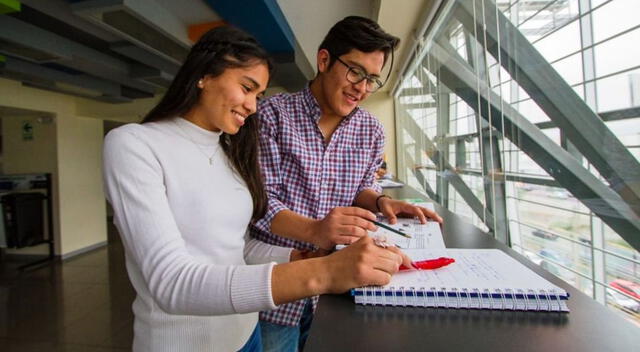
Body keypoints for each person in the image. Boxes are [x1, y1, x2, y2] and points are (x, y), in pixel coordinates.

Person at [103, 26, 411, 352]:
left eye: (258, 95)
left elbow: (240, 248)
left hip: (246, 333)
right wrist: (323, 270)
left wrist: (299, 255)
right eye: (247, 88)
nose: (252, 107)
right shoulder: (133, 144)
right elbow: (170, 283)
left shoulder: (231, 150)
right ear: (204, 74)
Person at [250, 16, 444, 352]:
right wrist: (316, 230)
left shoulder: (371, 130)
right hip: (279, 284)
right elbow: (261, 204)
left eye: (371, 79)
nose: (362, 87)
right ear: (324, 60)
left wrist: (381, 201)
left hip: (337, 289)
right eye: (355, 72)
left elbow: (360, 187)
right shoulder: (271, 115)